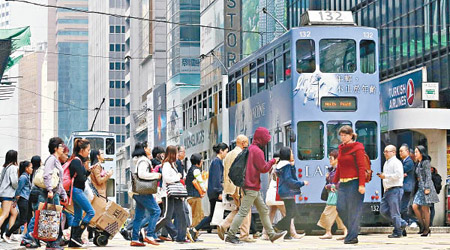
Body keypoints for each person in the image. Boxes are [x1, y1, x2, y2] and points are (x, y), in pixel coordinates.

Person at [225, 127, 287, 244]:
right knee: (243, 211)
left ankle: (271, 234)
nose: (267, 141)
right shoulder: (258, 151)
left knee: (263, 210)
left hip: (251, 185)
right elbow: (263, 168)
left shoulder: (251, 148)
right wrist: (273, 161)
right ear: (261, 139)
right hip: (251, 185)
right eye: (266, 139)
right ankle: (230, 235)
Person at [24, 137, 68, 250]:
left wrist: (63, 193)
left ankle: (50, 242)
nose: (62, 148)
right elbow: (47, 175)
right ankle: (35, 239)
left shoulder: (56, 160)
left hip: (54, 192)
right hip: (49, 193)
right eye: (61, 146)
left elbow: (58, 179)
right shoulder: (51, 159)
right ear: (55, 148)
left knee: (49, 217)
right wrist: (49, 189)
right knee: (46, 217)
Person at [333, 125, 367, 244]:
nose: (343, 138)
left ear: (351, 135)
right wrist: (334, 182)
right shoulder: (341, 148)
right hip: (343, 183)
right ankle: (354, 230)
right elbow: (339, 167)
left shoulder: (358, 148)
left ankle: (352, 236)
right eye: (341, 135)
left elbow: (361, 167)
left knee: (353, 210)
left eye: (345, 135)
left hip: (354, 182)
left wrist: (362, 184)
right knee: (340, 208)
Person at [218, 135, 254, 242]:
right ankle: (244, 235)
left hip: (230, 187)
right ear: (243, 143)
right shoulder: (241, 154)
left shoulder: (229, 154)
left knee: (239, 209)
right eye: (247, 143)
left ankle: (224, 225)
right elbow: (242, 172)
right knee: (245, 209)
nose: (248, 145)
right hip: (239, 186)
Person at [189, 143, 228, 240]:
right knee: (212, 216)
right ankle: (194, 229)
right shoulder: (216, 162)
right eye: (226, 152)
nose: (226, 154)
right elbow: (216, 178)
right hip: (215, 193)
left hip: (213, 192)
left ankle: (194, 230)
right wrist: (219, 192)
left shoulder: (216, 162)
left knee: (214, 215)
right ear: (221, 151)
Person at [129, 142, 162, 247]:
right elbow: (142, 174)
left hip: (137, 191)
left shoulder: (138, 160)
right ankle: (150, 235)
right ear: (144, 149)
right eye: (148, 147)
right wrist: (156, 175)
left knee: (139, 216)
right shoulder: (143, 160)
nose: (149, 149)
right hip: (143, 191)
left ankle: (135, 238)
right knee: (156, 211)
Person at [273, 147, 308, 239]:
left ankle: (287, 235)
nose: (293, 155)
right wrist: (301, 183)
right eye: (291, 153)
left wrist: (292, 166)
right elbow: (290, 179)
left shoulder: (281, 165)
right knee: (292, 213)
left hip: (284, 191)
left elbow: (290, 175)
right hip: (288, 191)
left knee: (290, 212)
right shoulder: (286, 165)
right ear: (287, 155)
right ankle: (278, 226)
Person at [155, 145, 187, 243]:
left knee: (181, 214)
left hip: (175, 194)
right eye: (176, 153)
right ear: (172, 154)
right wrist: (178, 176)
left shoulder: (173, 165)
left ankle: (181, 237)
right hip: (168, 194)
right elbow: (167, 179)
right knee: (166, 217)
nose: (178, 155)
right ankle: (147, 231)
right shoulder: (167, 165)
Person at [68, 139, 95, 247]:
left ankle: (72, 241)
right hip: (76, 190)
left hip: (76, 190)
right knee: (90, 212)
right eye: (88, 149)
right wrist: (85, 173)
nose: (88, 152)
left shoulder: (78, 161)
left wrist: (88, 171)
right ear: (82, 150)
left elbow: (83, 176)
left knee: (78, 216)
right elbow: (81, 178)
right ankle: (76, 236)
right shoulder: (76, 161)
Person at [378, 145, 407, 238]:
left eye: (387, 151)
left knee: (395, 212)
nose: (385, 153)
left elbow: (399, 175)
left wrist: (385, 176)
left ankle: (398, 231)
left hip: (395, 189)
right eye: (384, 151)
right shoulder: (386, 163)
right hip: (387, 190)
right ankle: (402, 223)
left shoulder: (396, 162)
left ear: (394, 152)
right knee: (383, 210)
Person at [317, 150, 347, 240]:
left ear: (337, 159)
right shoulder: (333, 169)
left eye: (331, 158)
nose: (330, 160)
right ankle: (346, 231)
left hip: (335, 194)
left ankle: (328, 232)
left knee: (327, 213)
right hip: (333, 194)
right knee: (338, 215)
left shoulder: (339, 169)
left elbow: (340, 182)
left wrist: (329, 186)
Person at [412, 145, 439, 237]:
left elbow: (428, 176)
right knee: (415, 206)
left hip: (426, 188)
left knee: (425, 208)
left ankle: (426, 229)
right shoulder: (418, 163)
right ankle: (423, 226)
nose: (415, 154)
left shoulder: (426, 162)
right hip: (420, 188)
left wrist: (427, 188)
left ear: (421, 153)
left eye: (416, 152)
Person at [4, 161, 33, 242]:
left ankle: (24, 235)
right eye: (31, 167)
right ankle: (7, 234)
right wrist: (15, 201)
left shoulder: (26, 176)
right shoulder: (23, 177)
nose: (32, 169)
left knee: (24, 219)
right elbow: (18, 190)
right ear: (26, 168)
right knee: (22, 220)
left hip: (25, 199)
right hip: (23, 200)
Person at [0, 150, 19, 242]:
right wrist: (17, 187)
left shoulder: (5, 167)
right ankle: (7, 234)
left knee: (14, 213)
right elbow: (14, 182)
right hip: (8, 194)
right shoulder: (13, 168)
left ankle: (9, 234)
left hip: (4, 193)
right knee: (5, 214)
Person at [186, 153, 206, 227]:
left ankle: (193, 233)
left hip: (190, 196)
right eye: (201, 161)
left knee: (197, 215)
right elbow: (200, 182)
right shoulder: (196, 170)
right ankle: (193, 232)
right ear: (199, 161)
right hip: (195, 196)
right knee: (197, 216)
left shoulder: (190, 169)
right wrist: (204, 189)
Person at [399, 144, 415, 227]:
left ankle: (411, 221)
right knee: (402, 207)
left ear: (407, 152)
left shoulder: (409, 162)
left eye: (402, 151)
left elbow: (401, 170)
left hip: (407, 187)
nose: (400, 153)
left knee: (403, 207)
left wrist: (401, 173)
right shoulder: (403, 161)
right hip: (403, 187)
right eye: (399, 151)